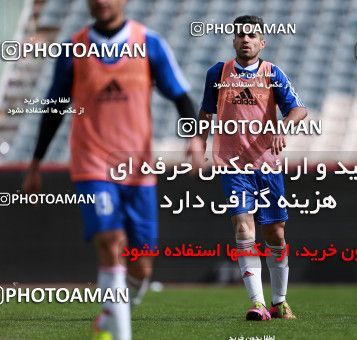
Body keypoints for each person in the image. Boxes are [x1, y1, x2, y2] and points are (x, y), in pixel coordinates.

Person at [22, 0, 204, 338]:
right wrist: (35, 163)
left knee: (141, 266)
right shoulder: (73, 49)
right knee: (111, 240)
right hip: (92, 165)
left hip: (138, 171)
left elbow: (181, 96)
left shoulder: (149, 44)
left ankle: (107, 319)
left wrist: (193, 137)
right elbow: (54, 109)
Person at [198, 15, 307, 321]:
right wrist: (198, 141)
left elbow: (299, 109)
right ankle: (258, 303)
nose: (245, 40)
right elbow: (206, 112)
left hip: (267, 165)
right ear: (233, 40)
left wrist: (283, 127)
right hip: (232, 165)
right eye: (240, 35)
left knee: (275, 232)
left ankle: (279, 301)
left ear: (262, 42)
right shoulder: (217, 73)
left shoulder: (273, 73)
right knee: (243, 227)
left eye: (252, 36)